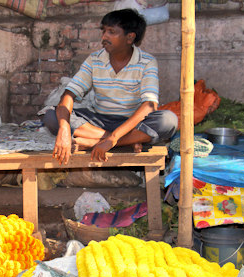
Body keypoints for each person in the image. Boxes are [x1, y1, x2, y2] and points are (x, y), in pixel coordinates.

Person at [43, 8, 178, 165]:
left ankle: (96, 142)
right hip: (99, 121)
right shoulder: (95, 60)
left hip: (132, 122)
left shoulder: (147, 62)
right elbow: (69, 94)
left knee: (168, 121)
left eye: (111, 32)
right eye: (104, 31)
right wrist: (64, 128)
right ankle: (126, 141)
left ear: (130, 37)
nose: (104, 36)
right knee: (52, 116)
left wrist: (114, 138)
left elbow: (149, 106)